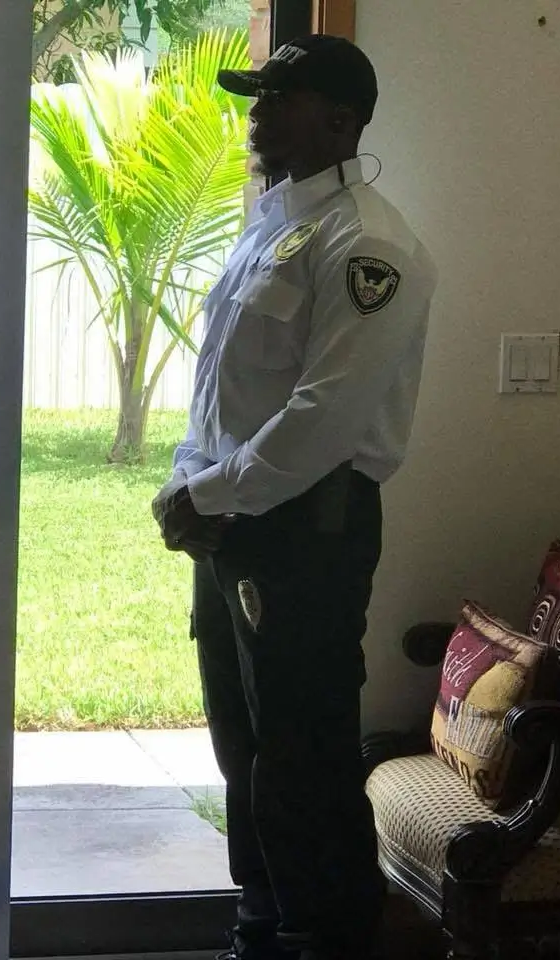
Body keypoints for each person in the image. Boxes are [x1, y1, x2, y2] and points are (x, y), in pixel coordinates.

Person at [152, 34, 437, 960]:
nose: (257, 112)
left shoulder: (371, 245)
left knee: (302, 751)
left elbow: (323, 417)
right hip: (233, 522)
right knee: (242, 742)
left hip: (307, 531)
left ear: (342, 120)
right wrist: (188, 481)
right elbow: (220, 389)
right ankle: (263, 922)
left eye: (281, 97)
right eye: (257, 96)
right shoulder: (270, 226)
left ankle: (326, 936)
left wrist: (210, 494)